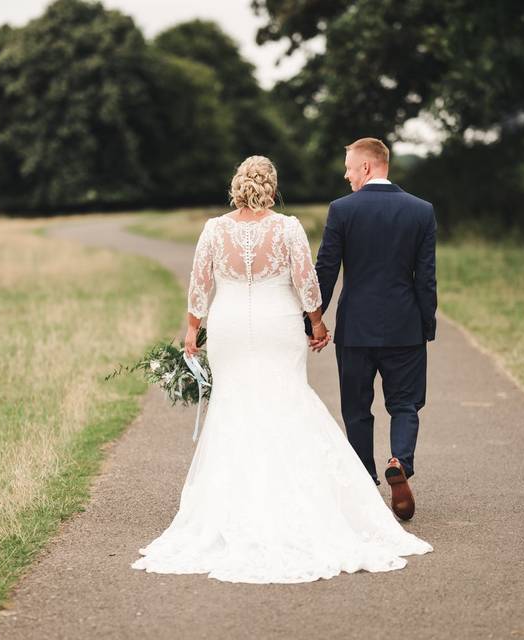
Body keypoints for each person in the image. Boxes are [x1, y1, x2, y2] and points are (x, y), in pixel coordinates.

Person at [131, 155, 432, 584]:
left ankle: (233, 508)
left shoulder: (214, 230)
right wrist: (316, 322)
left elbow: (200, 284)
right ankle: (299, 502)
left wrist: (193, 331)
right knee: (286, 401)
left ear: (237, 185)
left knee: (234, 406)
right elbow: (306, 281)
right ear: (271, 187)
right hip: (277, 323)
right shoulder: (287, 227)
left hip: (231, 324)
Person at [308, 137, 437, 521]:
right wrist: (425, 325)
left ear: (366, 167)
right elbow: (426, 278)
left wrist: (313, 320)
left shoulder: (342, 210)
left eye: (349, 167)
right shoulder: (421, 211)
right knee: (404, 404)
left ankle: (365, 481)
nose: (346, 175)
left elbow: (325, 270)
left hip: (356, 330)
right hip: (404, 327)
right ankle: (400, 460)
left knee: (357, 408)